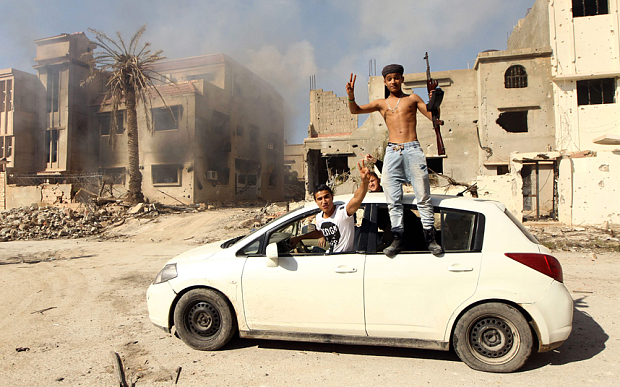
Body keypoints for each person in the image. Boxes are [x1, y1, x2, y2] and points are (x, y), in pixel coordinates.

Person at [346, 64, 443, 256]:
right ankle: (398, 237)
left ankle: (430, 238)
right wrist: (350, 95)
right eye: (389, 78)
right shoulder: (381, 104)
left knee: (423, 196)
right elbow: (355, 110)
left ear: (402, 79)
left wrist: (435, 100)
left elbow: (432, 115)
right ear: (385, 81)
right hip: (392, 151)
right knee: (393, 199)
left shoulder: (412, 99)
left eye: (396, 77)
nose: (393, 81)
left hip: (412, 148)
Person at [290, 161, 370, 253]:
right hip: (331, 255)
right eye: (320, 199)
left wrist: (364, 182)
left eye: (326, 197)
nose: (324, 201)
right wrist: (299, 238)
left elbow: (357, 199)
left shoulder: (343, 212)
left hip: (343, 258)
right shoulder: (319, 217)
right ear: (316, 201)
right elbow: (320, 232)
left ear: (332, 197)